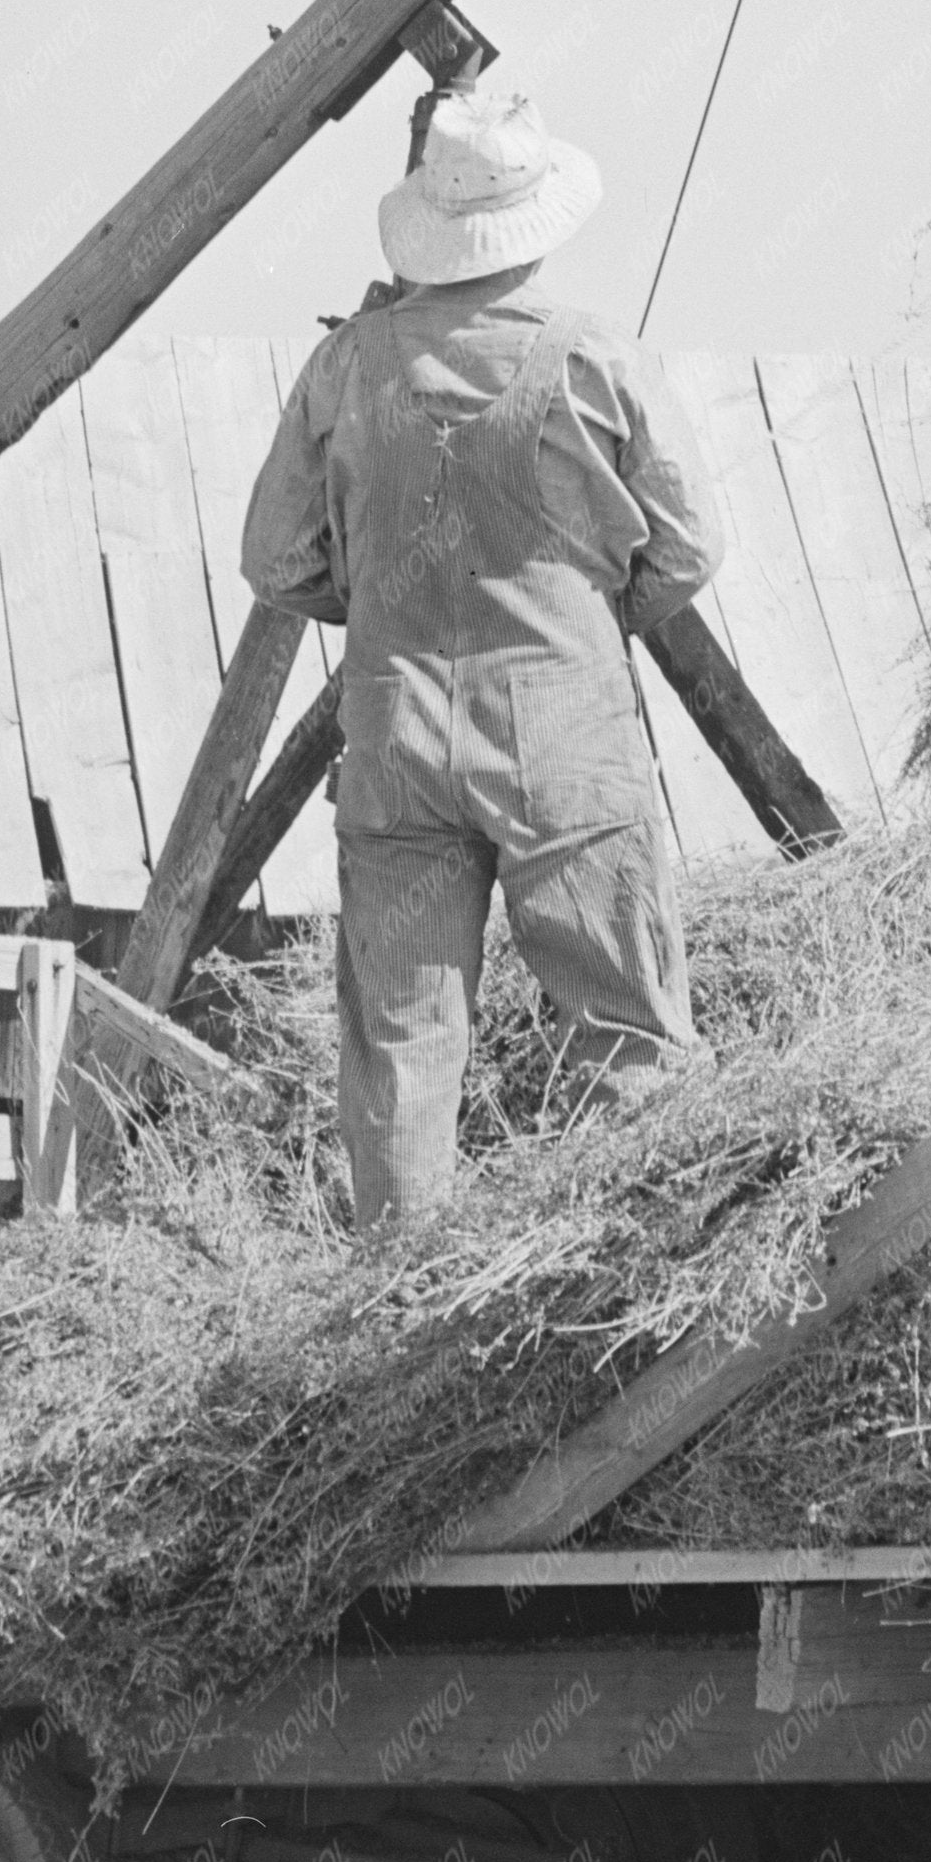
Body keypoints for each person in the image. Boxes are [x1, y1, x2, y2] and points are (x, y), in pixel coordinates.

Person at [239, 70, 723, 1228]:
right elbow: (690, 549)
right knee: (624, 1037)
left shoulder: (344, 366)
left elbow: (275, 558)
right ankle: (647, 1265)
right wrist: (587, 611)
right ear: (538, 213)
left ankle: (399, 1305)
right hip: (565, 737)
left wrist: (385, 605)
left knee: (401, 1055)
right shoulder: (595, 356)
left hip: (399, 738)